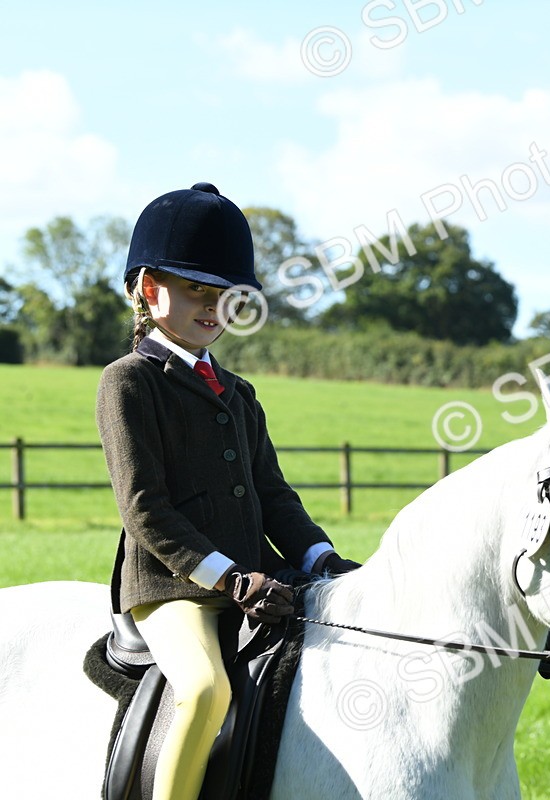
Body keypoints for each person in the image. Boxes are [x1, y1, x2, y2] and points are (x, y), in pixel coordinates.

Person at [96, 182, 360, 800]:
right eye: (196, 292)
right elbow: (144, 509)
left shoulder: (238, 393)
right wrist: (229, 578)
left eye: (224, 296)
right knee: (204, 690)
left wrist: (320, 559)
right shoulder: (128, 382)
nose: (213, 309)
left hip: (258, 576)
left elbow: (274, 496)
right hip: (170, 587)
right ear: (147, 288)